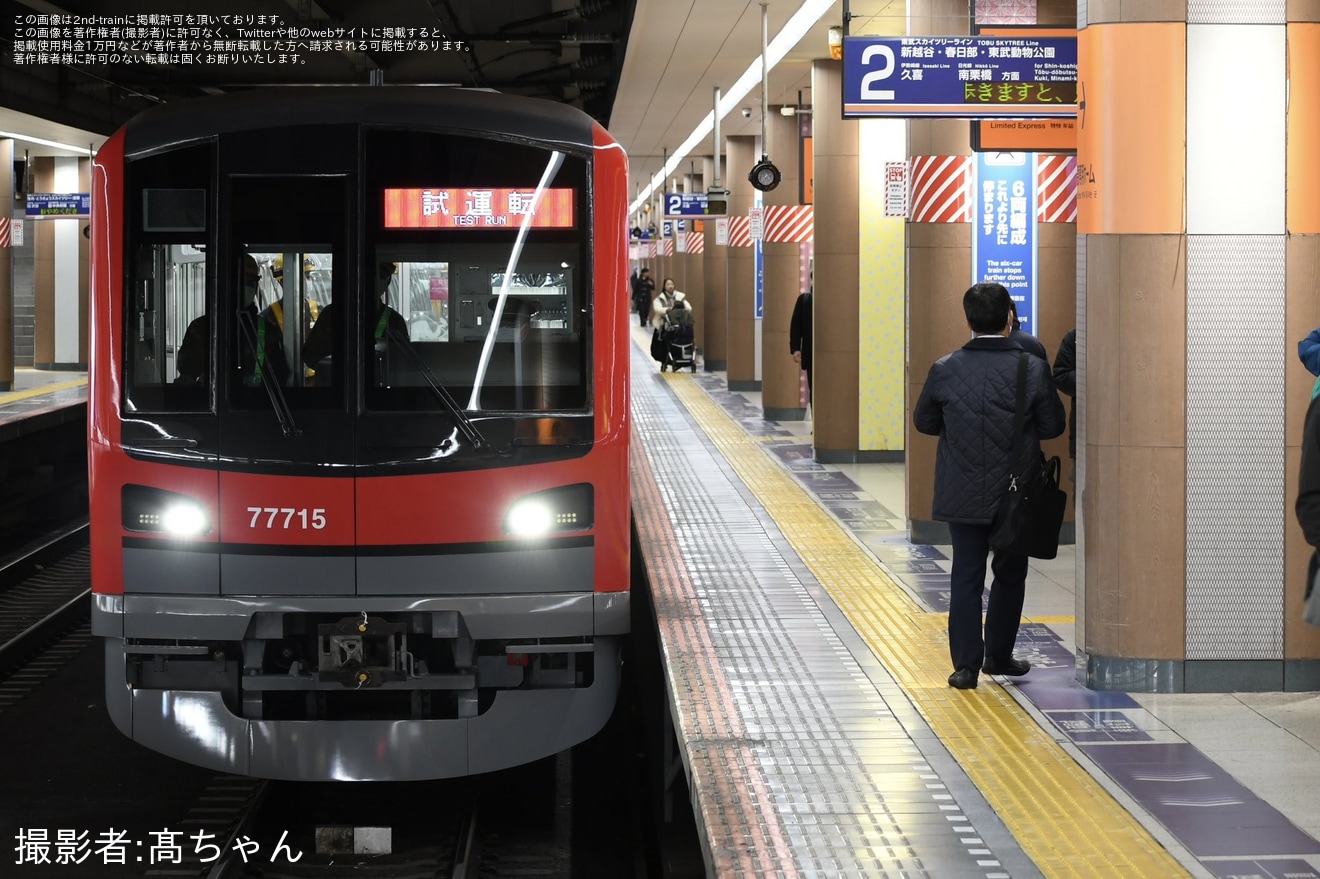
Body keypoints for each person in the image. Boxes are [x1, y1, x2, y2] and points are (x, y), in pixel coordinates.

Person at [913, 282, 1066, 690]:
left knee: (965, 575)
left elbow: (924, 423)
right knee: (1010, 573)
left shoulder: (945, 367)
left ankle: (965, 667)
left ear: (968, 320)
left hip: (960, 490)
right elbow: (1054, 426)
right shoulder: (1030, 368)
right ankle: (998, 656)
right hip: (1014, 494)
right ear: (1009, 319)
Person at [177, 254, 287, 386]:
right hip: (214, 405)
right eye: (241, 281)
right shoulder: (201, 328)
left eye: (251, 282)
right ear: (226, 282)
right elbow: (187, 377)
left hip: (257, 404)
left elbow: (280, 376)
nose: (247, 287)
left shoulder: (268, 330)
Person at [303, 261, 408, 378]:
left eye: (382, 277)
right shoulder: (332, 314)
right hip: (338, 386)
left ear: (387, 283)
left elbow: (403, 363)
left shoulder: (394, 320)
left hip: (379, 388)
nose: (375, 281)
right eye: (371, 275)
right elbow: (311, 355)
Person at [1053, 329, 1077, 480]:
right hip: (1084, 430)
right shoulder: (1075, 337)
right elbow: (1060, 375)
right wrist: (1091, 373)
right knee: (1083, 491)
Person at [789, 290, 813, 402]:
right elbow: (796, 325)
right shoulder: (805, 300)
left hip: (832, 356)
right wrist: (795, 348)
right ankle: (816, 418)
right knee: (814, 389)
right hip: (811, 354)